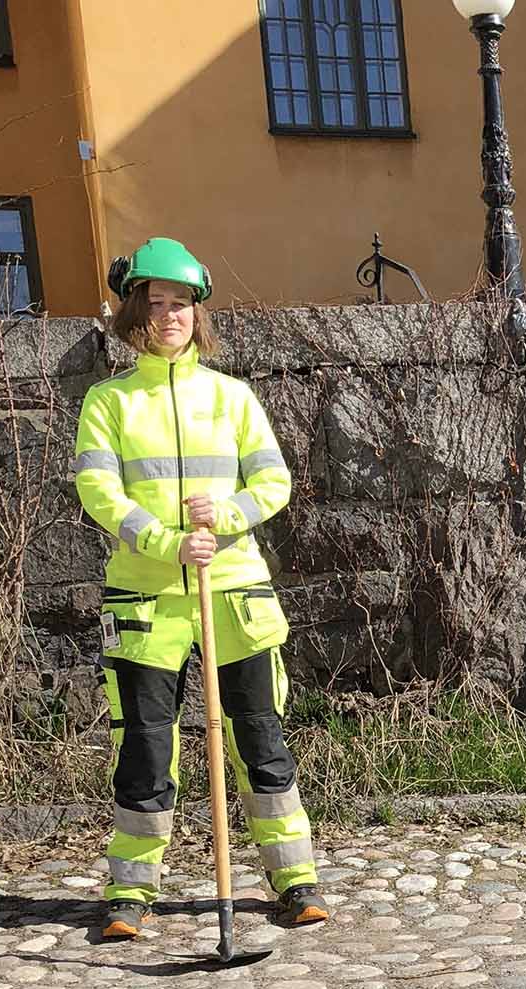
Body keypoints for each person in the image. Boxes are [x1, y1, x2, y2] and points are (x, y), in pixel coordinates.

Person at [72, 237, 329, 939]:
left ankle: (294, 878)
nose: (168, 315)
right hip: (145, 598)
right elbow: (98, 490)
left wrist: (232, 517)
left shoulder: (233, 398)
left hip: (234, 590)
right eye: (154, 303)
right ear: (134, 313)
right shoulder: (109, 402)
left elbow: (272, 482)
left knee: (259, 735)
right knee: (145, 745)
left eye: (180, 303)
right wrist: (165, 542)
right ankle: (130, 889)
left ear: (197, 311)